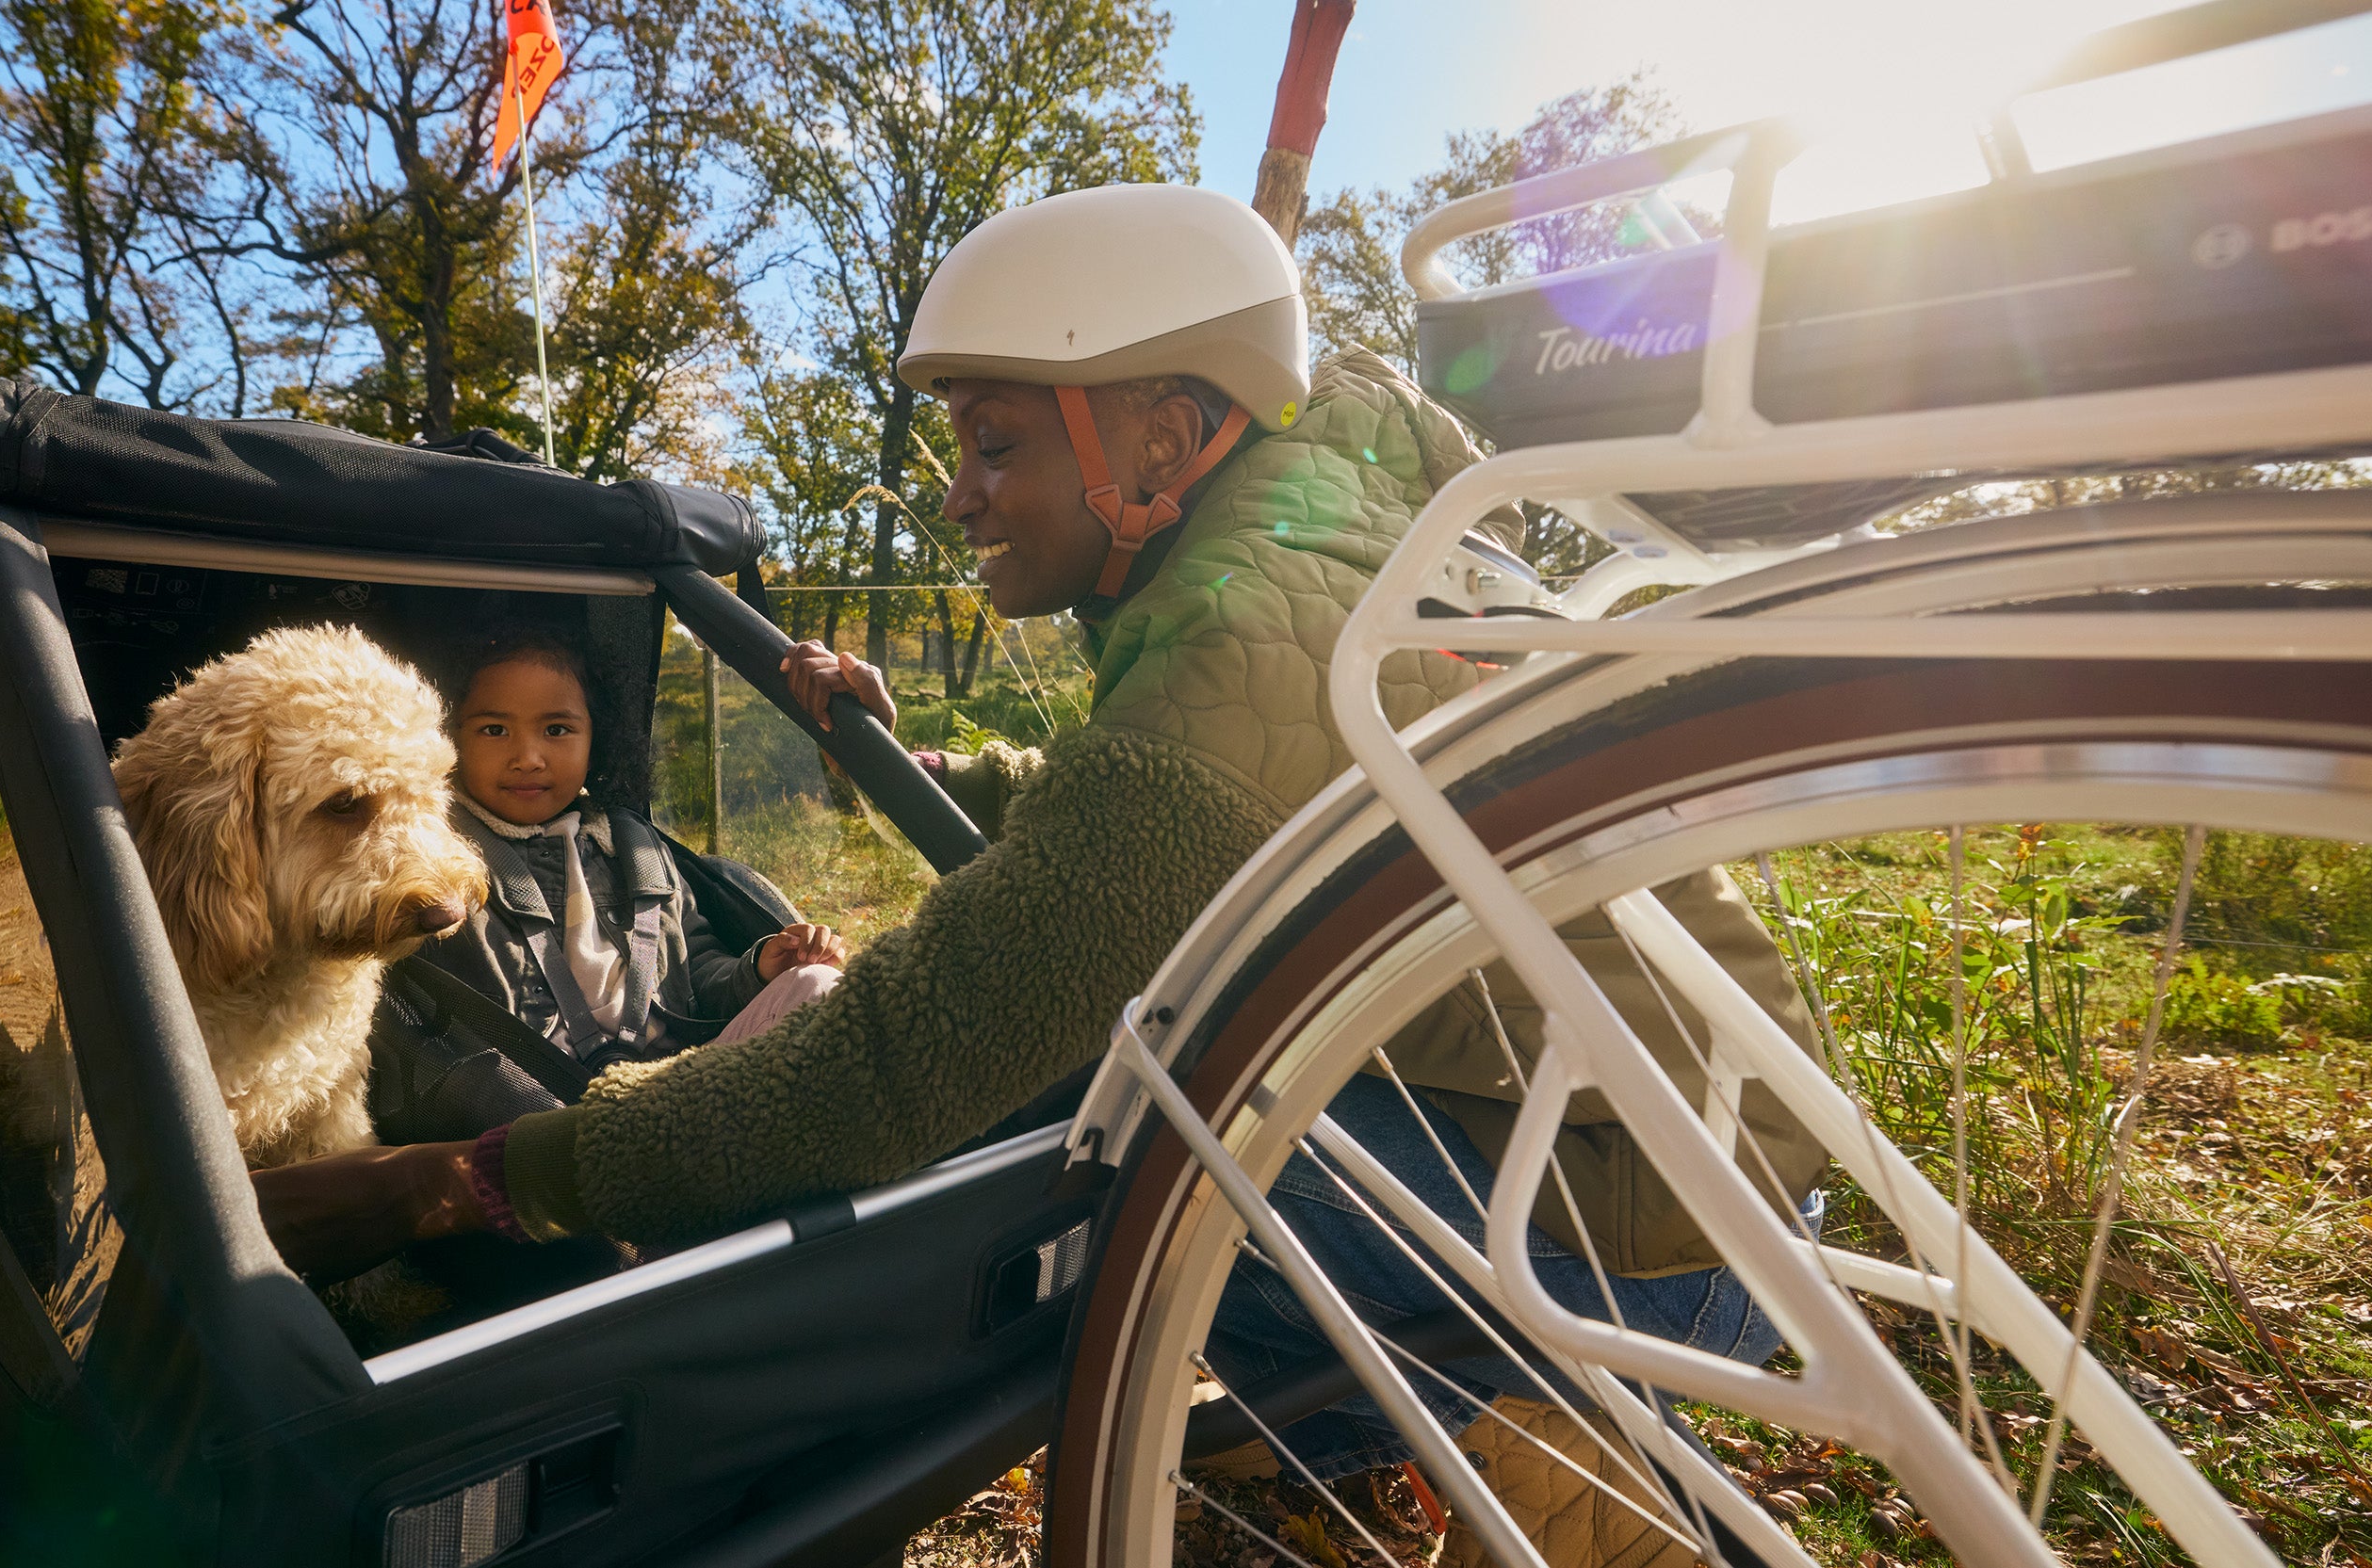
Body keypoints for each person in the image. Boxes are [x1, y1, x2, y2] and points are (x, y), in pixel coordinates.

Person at [253, 184, 1826, 1563]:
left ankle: (1534, 1457)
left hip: (1636, 1239)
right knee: (1148, 1082)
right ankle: (1368, 1423)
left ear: (1162, 429)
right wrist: (927, 770)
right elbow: (1178, 808)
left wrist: (455, 1181)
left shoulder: (1227, 656)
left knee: (1100, 1112)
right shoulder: (1316, 540)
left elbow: (875, 1078)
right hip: (1713, 1149)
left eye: (997, 441)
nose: (955, 494)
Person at [416, 622, 846, 1069]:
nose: (528, 758)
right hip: (533, 1107)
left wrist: (759, 971)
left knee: (817, 985)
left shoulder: (635, 846)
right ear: (448, 738)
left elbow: (693, 970)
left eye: (557, 730)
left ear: (596, 739)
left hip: (677, 1085)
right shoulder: (434, 855)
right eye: (494, 730)